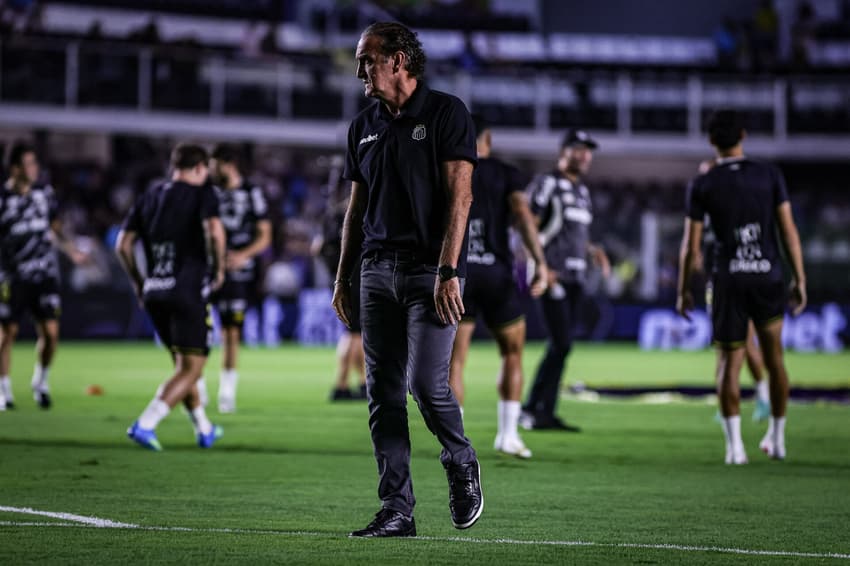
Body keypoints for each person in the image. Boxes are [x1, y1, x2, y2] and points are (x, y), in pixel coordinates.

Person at [332, 21, 483, 537]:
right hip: (375, 272)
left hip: (429, 272)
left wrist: (448, 270)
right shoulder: (362, 126)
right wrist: (341, 278)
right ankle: (397, 509)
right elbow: (355, 212)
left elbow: (460, 198)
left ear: (398, 60)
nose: (360, 71)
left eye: (366, 59)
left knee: (426, 384)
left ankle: (460, 458)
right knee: (383, 395)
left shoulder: (447, 113)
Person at [677, 110, 806, 464]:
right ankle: (777, 440)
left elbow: (691, 245)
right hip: (768, 275)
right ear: (743, 136)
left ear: (710, 142)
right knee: (775, 359)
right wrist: (800, 278)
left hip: (727, 279)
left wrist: (683, 289)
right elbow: (788, 230)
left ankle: (735, 448)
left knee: (727, 364)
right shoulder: (769, 174)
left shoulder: (703, 183)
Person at [448, 115, 549, 459]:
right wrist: (540, 263)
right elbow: (522, 214)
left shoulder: (446, 169)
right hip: (497, 274)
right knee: (512, 352)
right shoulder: (506, 173)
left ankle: (455, 441)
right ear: (488, 139)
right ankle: (507, 435)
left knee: (454, 362)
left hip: (457, 274)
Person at [116, 143, 226, 451]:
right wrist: (217, 269)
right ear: (200, 168)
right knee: (192, 368)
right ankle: (145, 423)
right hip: (187, 290)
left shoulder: (150, 196)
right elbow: (214, 231)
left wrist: (139, 283)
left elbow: (123, 245)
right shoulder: (203, 194)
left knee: (183, 365)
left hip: (155, 291)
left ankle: (204, 428)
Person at [520, 129, 610, 432]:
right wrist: (539, 266)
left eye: (588, 150)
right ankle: (534, 409)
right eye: (578, 148)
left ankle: (540, 410)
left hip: (575, 277)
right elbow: (528, 224)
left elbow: (573, 235)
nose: (585, 155)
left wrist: (593, 251)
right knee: (561, 342)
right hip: (552, 276)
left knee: (561, 345)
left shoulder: (582, 192)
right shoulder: (547, 183)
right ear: (564, 151)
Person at [0, 143, 86, 410]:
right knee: (7, 333)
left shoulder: (44, 194)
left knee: (50, 333)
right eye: (29, 164)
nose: (34, 169)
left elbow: (55, 226)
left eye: (35, 163)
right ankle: (3, 391)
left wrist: (71, 250)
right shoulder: (3, 198)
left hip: (44, 273)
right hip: (11, 275)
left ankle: (41, 382)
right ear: (15, 168)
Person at [698, 159, 771, 422]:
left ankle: (762, 395)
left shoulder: (735, 209)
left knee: (745, 342)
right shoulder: (704, 214)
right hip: (716, 283)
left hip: (740, 280)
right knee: (722, 345)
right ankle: (726, 400)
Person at [208, 144, 271, 414]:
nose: (211, 169)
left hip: (237, 272)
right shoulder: (208, 192)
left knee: (231, 332)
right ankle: (194, 387)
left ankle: (226, 392)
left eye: (214, 164)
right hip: (207, 269)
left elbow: (265, 235)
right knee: (198, 328)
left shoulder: (252, 192)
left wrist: (242, 255)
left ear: (227, 164)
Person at [313, 166, 366, 402]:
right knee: (356, 334)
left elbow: (318, 249)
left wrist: (334, 273)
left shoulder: (331, 217)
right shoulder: (354, 214)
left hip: (341, 278)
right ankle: (342, 384)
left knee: (355, 334)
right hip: (357, 278)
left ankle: (361, 382)